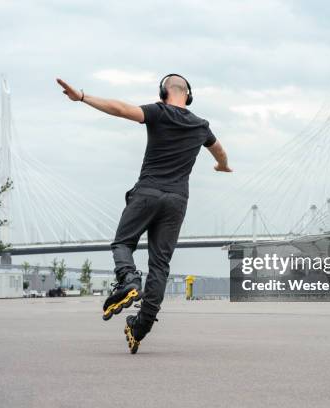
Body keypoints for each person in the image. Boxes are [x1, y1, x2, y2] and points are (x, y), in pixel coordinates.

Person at [57, 74, 231, 353]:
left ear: (163, 93)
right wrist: (222, 166)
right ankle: (141, 325)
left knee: (123, 243)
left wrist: (82, 97)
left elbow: (122, 109)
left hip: (147, 193)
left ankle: (128, 280)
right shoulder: (201, 126)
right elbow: (220, 151)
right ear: (189, 95)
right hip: (176, 201)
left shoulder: (157, 112)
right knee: (160, 265)